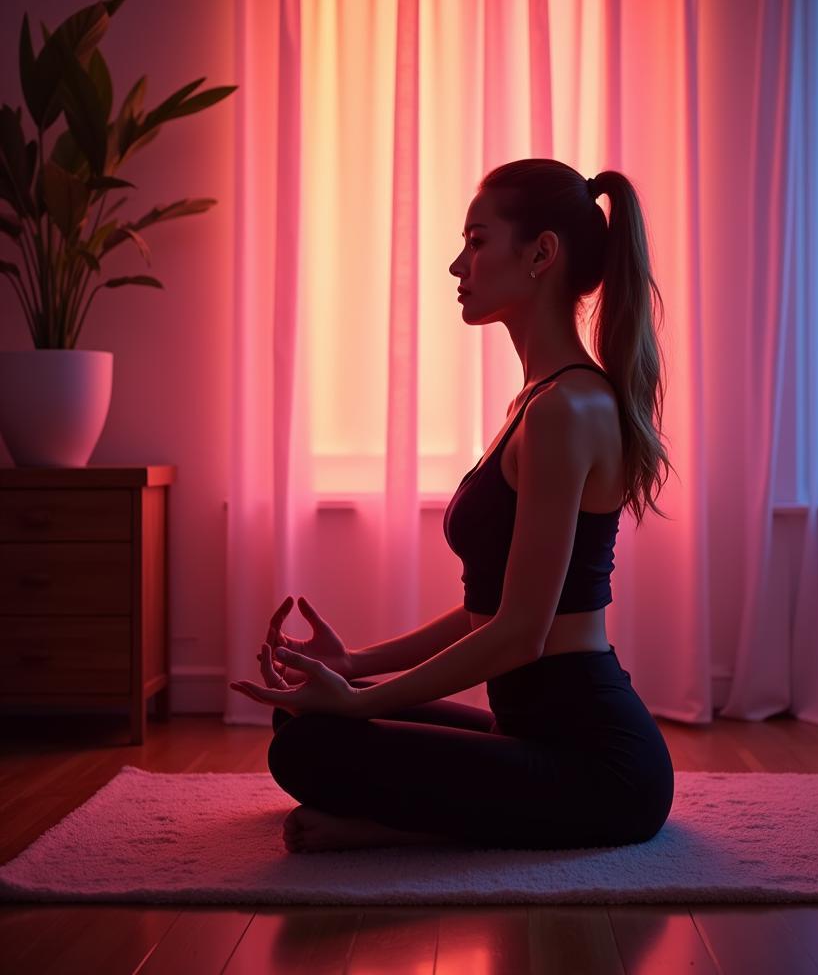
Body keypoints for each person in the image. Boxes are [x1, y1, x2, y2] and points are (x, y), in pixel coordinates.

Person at [230, 159, 678, 852]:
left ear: (541, 254)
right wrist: (355, 668)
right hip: (529, 732)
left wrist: (362, 700)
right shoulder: (535, 403)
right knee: (301, 725)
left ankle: (394, 831)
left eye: (476, 241)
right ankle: (425, 813)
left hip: (601, 768)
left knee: (312, 746)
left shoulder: (568, 409)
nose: (455, 264)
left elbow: (521, 633)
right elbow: (492, 610)